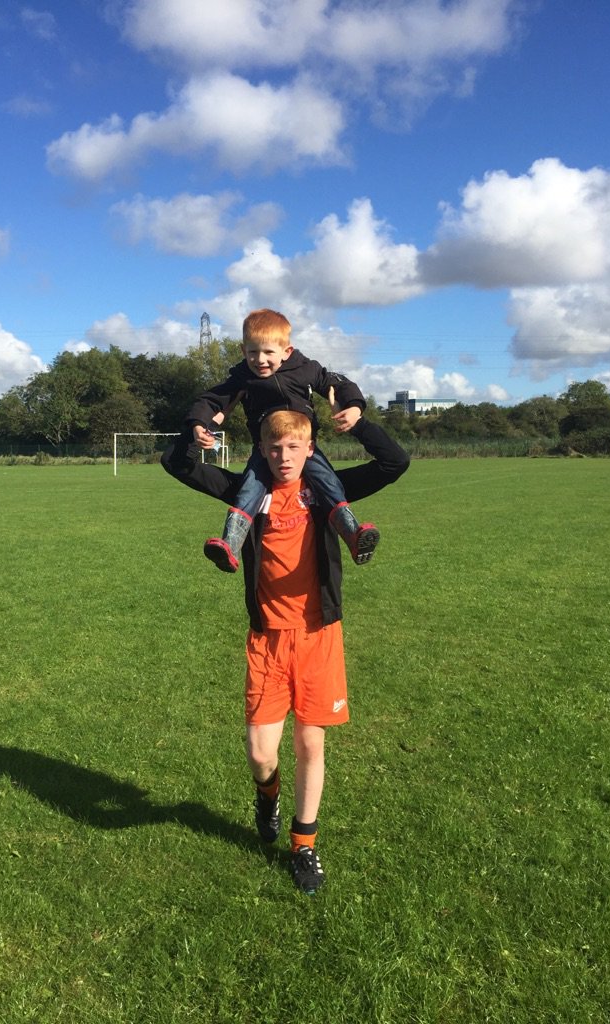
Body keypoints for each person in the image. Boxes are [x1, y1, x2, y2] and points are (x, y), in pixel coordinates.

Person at [161, 407, 409, 894]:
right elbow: (178, 466)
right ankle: (267, 794)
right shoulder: (248, 493)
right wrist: (193, 436)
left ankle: (303, 845)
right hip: (268, 639)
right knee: (260, 752)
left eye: (295, 447)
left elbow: (393, 462)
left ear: (310, 449)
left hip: (318, 636)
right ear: (262, 452)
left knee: (310, 743)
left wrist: (357, 424)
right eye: (275, 449)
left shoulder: (324, 490)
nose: (285, 457)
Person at [186, 308, 380, 573]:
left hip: (302, 449)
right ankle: (230, 547)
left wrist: (355, 407)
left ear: (287, 351)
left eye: (268, 353)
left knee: (328, 482)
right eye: (253, 352)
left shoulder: (306, 369)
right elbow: (210, 399)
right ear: (244, 351)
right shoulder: (242, 377)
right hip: (264, 450)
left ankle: (354, 537)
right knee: (248, 489)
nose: (260, 360)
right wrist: (199, 424)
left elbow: (340, 383)